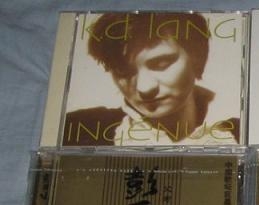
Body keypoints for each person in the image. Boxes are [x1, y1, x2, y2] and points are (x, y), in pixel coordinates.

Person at [63, 12, 240, 146]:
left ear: (198, 58)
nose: (144, 87)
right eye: (123, 71)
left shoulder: (243, 130)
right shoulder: (75, 128)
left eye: (161, 64)